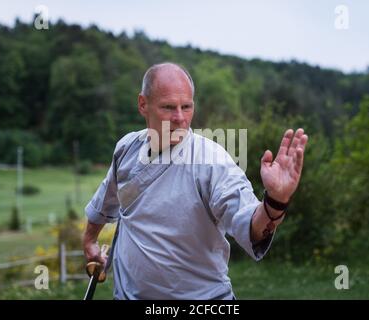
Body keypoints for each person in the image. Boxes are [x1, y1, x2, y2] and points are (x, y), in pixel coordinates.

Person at [83, 62, 308, 300]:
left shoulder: (211, 162)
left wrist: (276, 201)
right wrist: (90, 238)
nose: (180, 118)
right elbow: (108, 199)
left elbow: (248, 221)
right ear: (143, 104)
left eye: (187, 106)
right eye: (168, 107)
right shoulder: (127, 148)